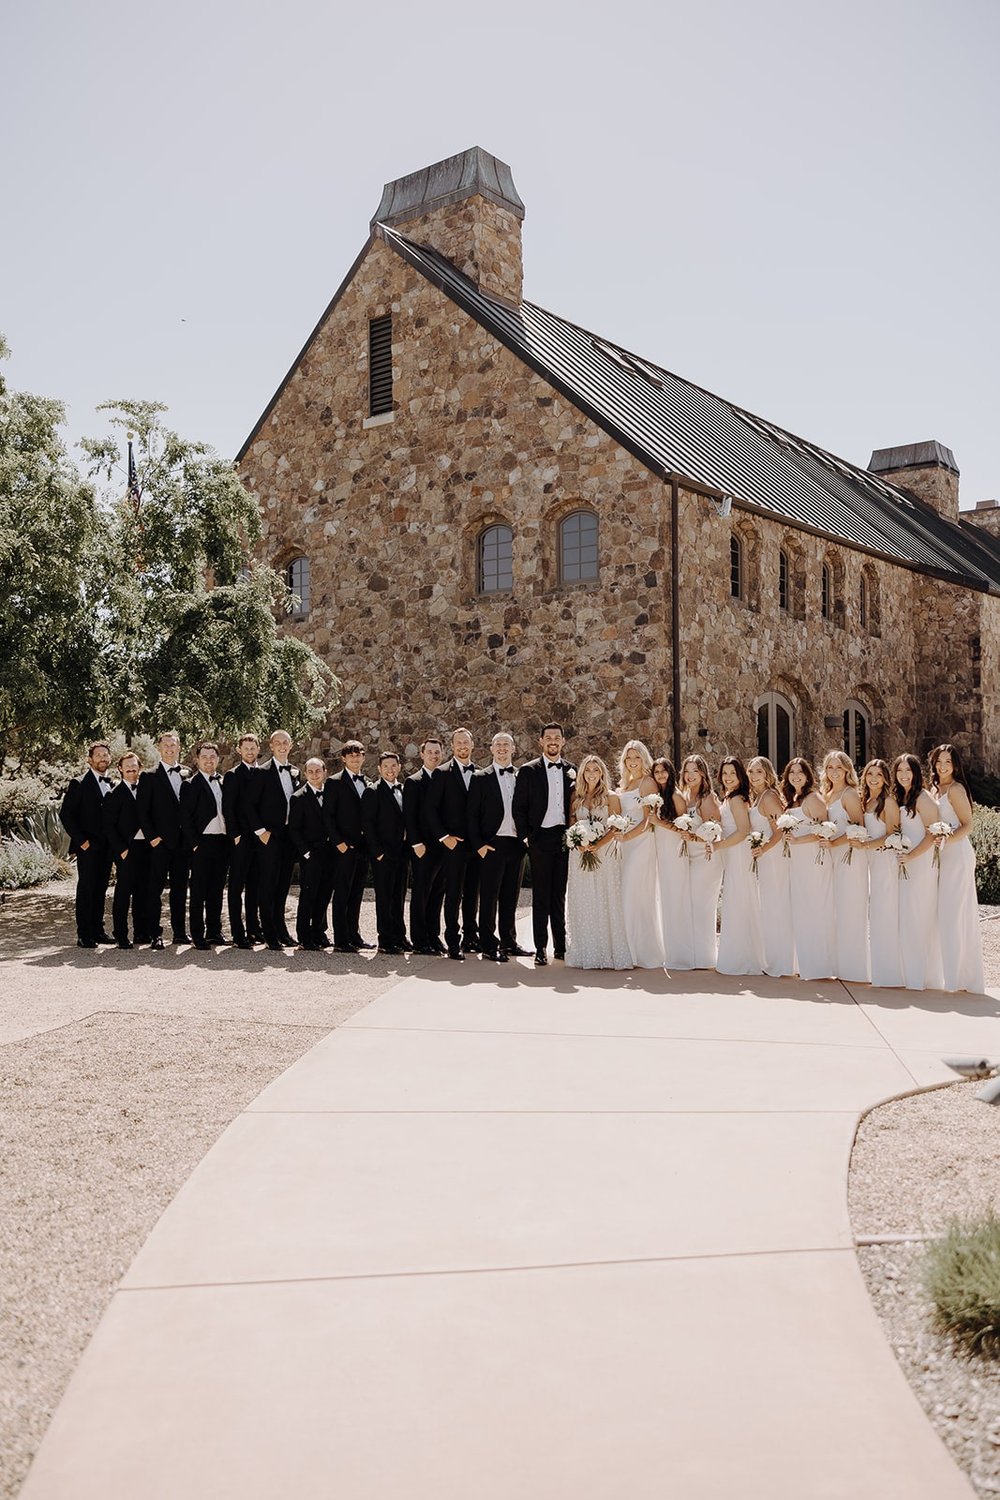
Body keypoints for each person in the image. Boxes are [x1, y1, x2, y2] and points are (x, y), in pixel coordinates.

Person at [512, 723, 576, 966]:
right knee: (540, 896)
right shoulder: (529, 771)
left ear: (563, 742)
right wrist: (526, 837)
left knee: (559, 894)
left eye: (557, 738)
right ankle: (540, 948)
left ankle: (560, 947)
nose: (553, 741)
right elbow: (518, 807)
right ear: (541, 741)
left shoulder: (572, 770)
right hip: (539, 839)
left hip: (563, 838)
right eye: (548, 737)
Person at [564, 754, 632, 969]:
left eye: (596, 770)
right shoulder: (576, 796)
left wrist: (598, 844)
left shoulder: (611, 797)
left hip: (604, 855)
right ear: (583, 773)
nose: (592, 774)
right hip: (580, 854)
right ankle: (586, 951)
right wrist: (579, 843)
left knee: (605, 897)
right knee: (583, 899)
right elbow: (572, 822)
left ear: (602, 773)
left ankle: (608, 952)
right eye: (588, 770)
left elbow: (615, 826)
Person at [928, 743, 984, 994]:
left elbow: (968, 825)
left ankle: (959, 977)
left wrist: (946, 839)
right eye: (939, 761)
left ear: (955, 765)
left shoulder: (956, 789)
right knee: (940, 913)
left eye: (948, 762)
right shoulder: (933, 788)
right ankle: (941, 972)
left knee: (954, 913)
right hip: (938, 855)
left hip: (957, 855)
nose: (942, 766)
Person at [468, 732, 526, 963]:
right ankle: (489, 944)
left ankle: (509, 941)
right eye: (498, 745)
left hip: (516, 844)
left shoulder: (522, 776)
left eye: (506, 745)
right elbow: (471, 815)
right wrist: (479, 846)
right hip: (491, 845)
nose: (502, 748)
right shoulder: (480, 777)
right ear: (491, 749)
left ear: (514, 749)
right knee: (489, 897)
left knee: (511, 897)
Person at [425, 727, 480, 960]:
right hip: (452, 845)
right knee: (453, 894)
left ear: (472, 745)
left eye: (466, 742)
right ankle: (453, 942)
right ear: (453, 746)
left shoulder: (481, 773)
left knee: (472, 893)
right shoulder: (441, 773)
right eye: (458, 743)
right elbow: (430, 809)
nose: (462, 746)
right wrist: (443, 837)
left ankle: (471, 938)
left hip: (476, 845)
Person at [780, 757, 836, 981]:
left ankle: (819, 966)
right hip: (797, 861)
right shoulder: (792, 800)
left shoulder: (813, 798)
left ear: (807, 776)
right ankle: (805, 963)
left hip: (813, 859)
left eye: (799, 773)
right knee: (802, 910)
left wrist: (798, 840)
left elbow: (825, 829)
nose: (795, 776)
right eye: (791, 772)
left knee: (815, 909)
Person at [892, 753, 943, 991]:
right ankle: (906, 971)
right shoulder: (900, 797)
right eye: (899, 770)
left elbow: (933, 834)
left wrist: (911, 856)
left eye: (907, 770)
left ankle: (922, 975)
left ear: (916, 773)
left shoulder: (923, 798)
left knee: (920, 915)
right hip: (904, 862)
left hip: (921, 863)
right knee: (907, 916)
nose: (903, 775)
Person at [137, 730, 190, 948]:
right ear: (160, 748)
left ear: (179, 747)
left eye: (173, 745)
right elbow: (142, 812)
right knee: (155, 890)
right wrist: (153, 839)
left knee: (180, 889)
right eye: (166, 745)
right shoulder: (148, 776)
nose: (170, 749)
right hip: (159, 844)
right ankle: (155, 934)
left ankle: (179, 933)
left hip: (183, 843)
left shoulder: (188, 774)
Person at [60, 741, 114, 948]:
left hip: (106, 848)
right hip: (88, 847)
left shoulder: (111, 783)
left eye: (105, 755)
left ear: (109, 759)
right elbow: (66, 814)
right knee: (87, 889)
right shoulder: (79, 783)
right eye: (98, 755)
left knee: (101, 889)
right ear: (90, 759)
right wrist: (81, 841)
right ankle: (84, 934)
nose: (102, 758)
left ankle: (98, 930)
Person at [821, 750, 870, 984]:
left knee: (850, 908)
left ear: (847, 770)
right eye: (830, 767)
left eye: (838, 768)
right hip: (832, 856)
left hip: (849, 856)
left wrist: (833, 842)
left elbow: (859, 830)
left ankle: (854, 968)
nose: (833, 772)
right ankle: (837, 963)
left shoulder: (849, 794)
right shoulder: (827, 793)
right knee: (836, 909)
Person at [615, 740, 664, 968]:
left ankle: (637, 951)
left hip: (641, 843)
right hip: (623, 845)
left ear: (644, 759)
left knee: (634, 893)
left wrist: (628, 837)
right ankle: (623, 946)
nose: (632, 762)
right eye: (629, 758)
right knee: (624, 893)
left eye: (636, 757)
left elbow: (649, 820)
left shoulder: (647, 783)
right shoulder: (625, 784)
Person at [249, 730, 299, 950]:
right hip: (269, 836)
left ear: (290, 745)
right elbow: (249, 805)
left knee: (282, 885)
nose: (281, 746)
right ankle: (268, 933)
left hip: (290, 837)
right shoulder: (261, 772)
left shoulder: (296, 772)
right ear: (271, 746)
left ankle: (281, 930)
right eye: (277, 743)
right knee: (268, 885)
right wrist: (261, 831)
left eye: (285, 742)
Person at [715, 756, 765, 976]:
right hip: (732, 852)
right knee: (736, 900)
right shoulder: (729, 797)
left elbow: (743, 830)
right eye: (724, 773)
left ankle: (742, 958)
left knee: (738, 899)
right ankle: (742, 953)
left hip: (738, 852)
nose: (728, 778)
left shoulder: (737, 799)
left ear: (740, 776)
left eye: (732, 773)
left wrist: (718, 846)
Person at [747, 756, 794, 978]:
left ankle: (780, 962)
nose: (754, 776)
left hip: (774, 857)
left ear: (767, 774)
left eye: (758, 771)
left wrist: (763, 849)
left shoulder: (769, 797)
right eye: (751, 772)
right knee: (769, 906)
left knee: (776, 905)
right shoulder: (757, 797)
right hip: (765, 856)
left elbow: (780, 832)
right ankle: (771, 956)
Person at [180, 741, 230, 950]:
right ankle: (198, 934)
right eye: (205, 757)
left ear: (218, 759)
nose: (209, 760)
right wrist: (195, 845)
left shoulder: (223, 781)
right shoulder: (190, 784)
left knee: (217, 890)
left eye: (212, 756)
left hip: (222, 842)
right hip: (202, 843)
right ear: (197, 759)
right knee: (199, 891)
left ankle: (214, 931)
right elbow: (185, 817)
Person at [860, 759, 903, 989]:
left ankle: (890, 972)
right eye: (869, 774)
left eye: (878, 774)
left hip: (884, 861)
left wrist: (866, 846)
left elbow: (892, 835)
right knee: (874, 913)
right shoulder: (865, 801)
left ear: (886, 778)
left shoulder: (888, 802)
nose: (873, 778)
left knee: (885, 912)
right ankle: (877, 967)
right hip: (868, 861)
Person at [362, 751, 409, 955]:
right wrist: (377, 853)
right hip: (383, 854)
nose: (390, 770)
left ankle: (399, 936)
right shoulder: (372, 792)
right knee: (384, 897)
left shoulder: (403, 789)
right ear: (379, 769)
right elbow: (368, 824)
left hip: (401, 853)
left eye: (393, 766)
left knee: (399, 896)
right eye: (386, 766)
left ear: (399, 767)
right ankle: (386, 939)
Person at [678, 754, 723, 969]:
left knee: (702, 905)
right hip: (688, 856)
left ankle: (704, 957)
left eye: (694, 771)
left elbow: (714, 831)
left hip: (706, 857)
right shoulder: (685, 796)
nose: (689, 775)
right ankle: (690, 953)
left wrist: (693, 836)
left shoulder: (708, 798)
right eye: (686, 771)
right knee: (689, 904)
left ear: (703, 773)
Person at [403, 737, 446, 955]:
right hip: (422, 847)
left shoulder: (445, 779)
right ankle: (419, 940)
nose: (434, 755)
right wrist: (416, 843)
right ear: (422, 754)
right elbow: (409, 816)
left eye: (437, 752)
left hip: (442, 848)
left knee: (438, 893)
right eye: (430, 752)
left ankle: (433, 936)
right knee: (421, 894)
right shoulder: (414, 781)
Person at [103, 751, 151, 948]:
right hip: (127, 849)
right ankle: (121, 935)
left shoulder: (146, 790)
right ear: (120, 769)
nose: (132, 770)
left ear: (139, 768)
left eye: (134, 766)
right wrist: (121, 849)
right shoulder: (114, 794)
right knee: (123, 893)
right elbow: (108, 826)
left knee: (143, 892)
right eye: (128, 767)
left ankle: (141, 933)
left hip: (146, 847)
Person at [326, 740, 370, 954]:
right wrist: (338, 843)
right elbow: (328, 816)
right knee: (342, 892)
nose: (355, 758)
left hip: (363, 848)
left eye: (358, 755)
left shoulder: (368, 782)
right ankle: (341, 940)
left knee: (357, 893)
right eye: (351, 755)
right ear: (343, 758)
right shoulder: (334, 783)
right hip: (344, 847)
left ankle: (355, 935)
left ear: (363, 757)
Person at [288, 758, 335, 951]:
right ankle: (304, 936)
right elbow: (294, 829)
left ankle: (319, 931)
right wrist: (305, 853)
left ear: (325, 772)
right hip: (311, 854)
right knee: (308, 895)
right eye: (311, 771)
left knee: (324, 894)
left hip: (329, 853)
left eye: (318, 771)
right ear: (305, 774)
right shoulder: (298, 797)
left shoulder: (331, 794)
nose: (315, 774)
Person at [651, 757, 692, 971]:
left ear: (670, 773)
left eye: (663, 771)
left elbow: (683, 828)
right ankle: (667, 948)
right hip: (660, 849)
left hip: (674, 849)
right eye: (656, 771)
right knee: (664, 897)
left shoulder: (676, 796)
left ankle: (681, 952)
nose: (660, 775)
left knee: (676, 897)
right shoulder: (656, 796)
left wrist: (659, 823)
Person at [222, 733, 262, 949]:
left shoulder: (264, 773)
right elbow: (228, 807)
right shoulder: (232, 775)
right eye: (245, 748)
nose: (249, 751)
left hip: (260, 839)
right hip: (241, 839)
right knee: (236, 886)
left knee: (255, 885)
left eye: (252, 748)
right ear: (239, 750)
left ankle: (254, 929)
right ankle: (238, 933)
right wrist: (235, 835)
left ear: (258, 749)